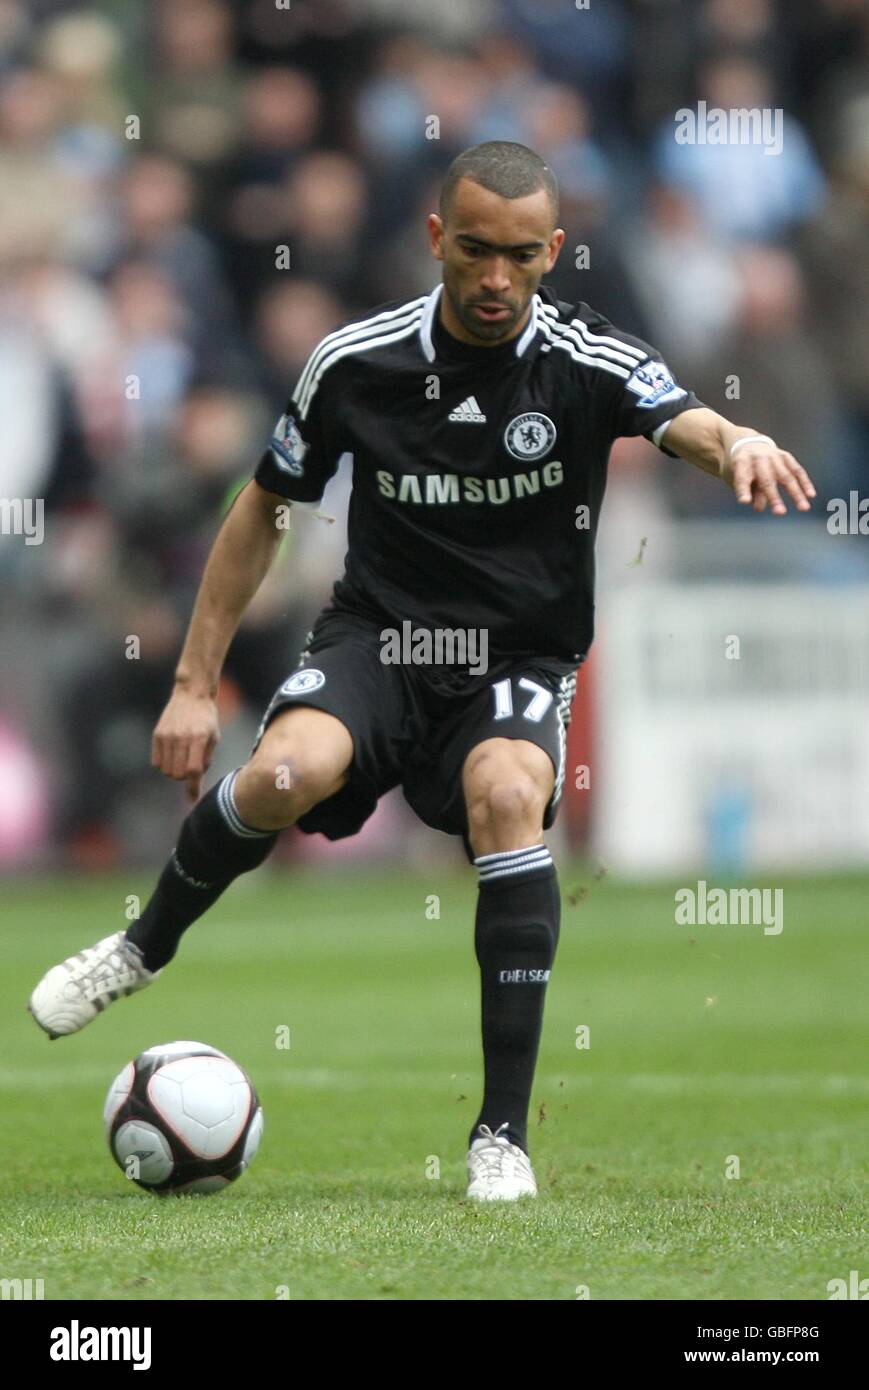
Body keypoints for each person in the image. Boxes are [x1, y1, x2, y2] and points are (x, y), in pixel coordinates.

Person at [29, 141, 816, 1201]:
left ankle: (499, 1136)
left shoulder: (586, 359)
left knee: (506, 795)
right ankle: (139, 948)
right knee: (274, 775)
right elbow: (262, 507)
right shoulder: (355, 361)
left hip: (515, 656)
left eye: (521, 257)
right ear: (437, 239)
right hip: (378, 641)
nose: (496, 280)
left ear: (553, 252)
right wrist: (188, 681)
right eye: (476, 252)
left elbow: (685, 420)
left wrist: (741, 444)